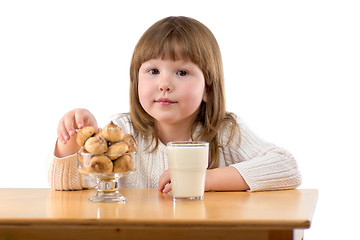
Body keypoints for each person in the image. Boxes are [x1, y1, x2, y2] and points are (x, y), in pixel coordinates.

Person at [48, 16, 301, 192]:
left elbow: (286, 168)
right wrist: (73, 138)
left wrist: (204, 179)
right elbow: (66, 184)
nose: (164, 84)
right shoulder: (123, 132)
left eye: (181, 73)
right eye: (153, 71)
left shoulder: (225, 132)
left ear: (208, 89)